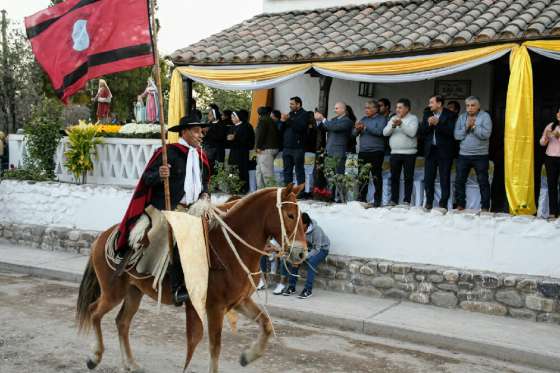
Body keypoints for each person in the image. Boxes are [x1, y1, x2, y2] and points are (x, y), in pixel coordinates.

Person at [115, 114, 210, 306]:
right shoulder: (168, 152)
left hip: (193, 209)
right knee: (179, 240)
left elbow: (205, 183)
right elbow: (147, 179)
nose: (201, 135)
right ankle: (177, 288)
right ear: (184, 132)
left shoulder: (201, 156)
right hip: (167, 209)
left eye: (202, 132)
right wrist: (159, 174)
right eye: (197, 131)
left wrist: (205, 195)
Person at [277, 213, 330, 299]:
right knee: (294, 259)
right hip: (307, 248)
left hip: (322, 249)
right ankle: (292, 286)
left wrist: (302, 258)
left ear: (306, 224)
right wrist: (293, 255)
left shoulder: (316, 230)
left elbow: (316, 249)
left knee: (312, 262)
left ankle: (308, 290)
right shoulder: (298, 229)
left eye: (300, 225)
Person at [454, 96, 492, 211]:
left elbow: (486, 135)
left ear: (478, 106)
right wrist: (466, 127)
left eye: (472, 105)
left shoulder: (485, 117)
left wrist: (474, 127)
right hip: (463, 155)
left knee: (483, 182)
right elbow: (457, 136)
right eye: (467, 105)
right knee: (459, 181)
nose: (470, 108)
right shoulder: (461, 117)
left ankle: (485, 207)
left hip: (480, 155)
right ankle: (460, 205)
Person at [419, 95, 458, 209]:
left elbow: (452, 133)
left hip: (445, 151)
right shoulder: (427, 114)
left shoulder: (451, 115)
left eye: (431, 102)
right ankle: (429, 202)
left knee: (444, 177)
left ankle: (443, 203)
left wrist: (438, 123)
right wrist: (429, 125)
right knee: (428, 178)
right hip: (430, 150)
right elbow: (422, 132)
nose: (429, 105)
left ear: (439, 104)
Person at [315, 102, 355, 201]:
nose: (334, 110)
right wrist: (318, 121)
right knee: (329, 175)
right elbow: (324, 128)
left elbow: (334, 127)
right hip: (329, 151)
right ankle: (330, 197)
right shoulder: (333, 120)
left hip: (339, 152)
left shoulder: (348, 121)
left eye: (336, 108)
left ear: (343, 110)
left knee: (339, 176)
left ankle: (341, 198)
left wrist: (323, 119)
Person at [383, 98, 418, 206]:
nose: (397, 109)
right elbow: (385, 133)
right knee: (394, 177)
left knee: (408, 178)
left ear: (407, 108)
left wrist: (401, 124)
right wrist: (393, 125)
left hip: (409, 153)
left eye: (400, 107)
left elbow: (412, 133)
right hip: (394, 153)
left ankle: (407, 200)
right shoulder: (393, 118)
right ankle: (394, 200)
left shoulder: (413, 118)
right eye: (397, 107)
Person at [353, 100, 387, 206]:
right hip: (363, 151)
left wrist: (366, 127)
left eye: (368, 108)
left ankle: (377, 200)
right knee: (362, 176)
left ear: (375, 109)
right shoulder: (363, 119)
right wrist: (357, 129)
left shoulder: (382, 119)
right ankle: (362, 198)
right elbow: (353, 135)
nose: (365, 110)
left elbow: (380, 132)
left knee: (376, 176)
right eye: (365, 108)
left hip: (376, 151)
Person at [279, 97, 307, 188]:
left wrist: (289, 120)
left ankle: (300, 192)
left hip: (298, 148)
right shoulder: (289, 114)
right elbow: (280, 130)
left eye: (292, 104)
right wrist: (282, 122)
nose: (290, 106)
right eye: (290, 104)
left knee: (299, 171)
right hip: (287, 147)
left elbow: (300, 128)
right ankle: (288, 191)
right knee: (287, 170)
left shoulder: (304, 114)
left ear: (298, 104)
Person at [540, 108, 560, 218]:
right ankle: (553, 212)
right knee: (551, 186)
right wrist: (546, 137)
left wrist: (558, 136)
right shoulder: (551, 125)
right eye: (558, 111)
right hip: (550, 158)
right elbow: (542, 142)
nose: (559, 114)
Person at [228, 110, 255, 193]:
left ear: (239, 117)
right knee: (233, 169)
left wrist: (235, 138)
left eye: (234, 117)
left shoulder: (247, 126)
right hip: (233, 151)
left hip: (242, 152)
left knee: (242, 170)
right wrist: (229, 139)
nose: (232, 119)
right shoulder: (232, 127)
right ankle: (233, 187)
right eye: (231, 117)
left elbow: (249, 140)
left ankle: (244, 188)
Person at [255, 106, 281, 189]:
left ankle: (270, 192)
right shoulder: (271, 121)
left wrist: (258, 147)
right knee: (260, 171)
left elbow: (260, 135)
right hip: (272, 148)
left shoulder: (263, 120)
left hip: (265, 149)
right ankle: (261, 192)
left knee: (266, 173)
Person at [203, 104, 227, 174]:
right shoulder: (208, 124)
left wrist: (208, 132)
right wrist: (203, 133)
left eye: (211, 115)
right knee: (208, 169)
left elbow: (220, 137)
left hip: (218, 151)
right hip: (208, 151)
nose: (208, 116)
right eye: (209, 115)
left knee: (217, 170)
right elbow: (205, 138)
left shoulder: (221, 125)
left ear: (215, 115)